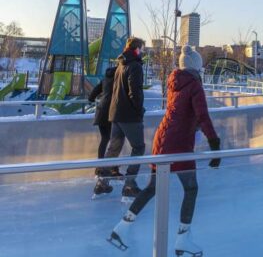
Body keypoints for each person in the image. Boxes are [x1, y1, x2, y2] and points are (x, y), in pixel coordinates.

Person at [108, 45, 221, 256]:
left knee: (153, 187)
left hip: (162, 140)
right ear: (196, 66)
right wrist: (214, 143)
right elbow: (203, 115)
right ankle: (183, 239)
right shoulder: (194, 85)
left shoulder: (174, 82)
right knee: (191, 189)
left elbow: (184, 113)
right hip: (179, 145)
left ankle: (121, 228)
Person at [93, 37, 146, 199]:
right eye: (142, 48)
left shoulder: (121, 65)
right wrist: (139, 109)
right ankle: (130, 184)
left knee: (113, 148)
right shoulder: (135, 66)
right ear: (137, 49)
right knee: (138, 147)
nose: (143, 52)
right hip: (129, 115)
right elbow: (134, 92)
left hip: (115, 114)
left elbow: (116, 90)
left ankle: (102, 183)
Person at [88, 66, 123, 180]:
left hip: (101, 112)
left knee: (104, 140)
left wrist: (92, 99)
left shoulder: (106, 79)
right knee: (115, 142)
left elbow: (93, 93)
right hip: (111, 113)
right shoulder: (118, 79)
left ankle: (100, 167)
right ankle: (110, 168)